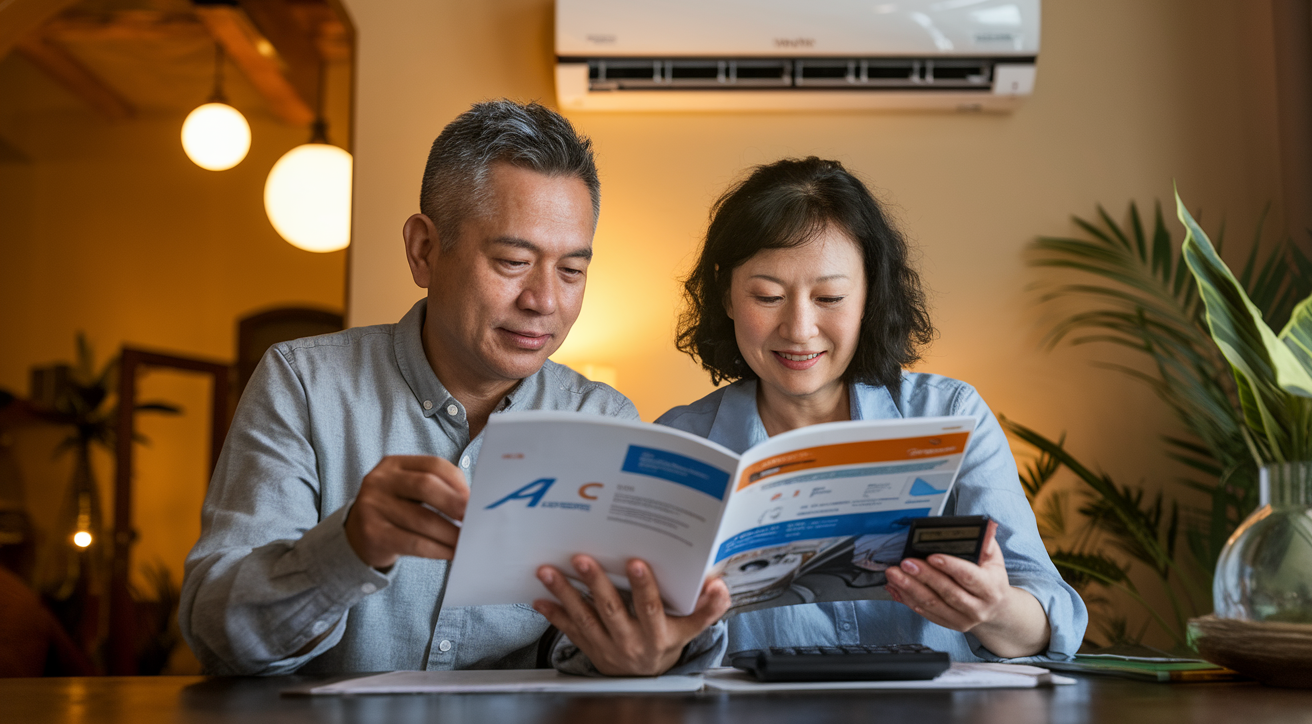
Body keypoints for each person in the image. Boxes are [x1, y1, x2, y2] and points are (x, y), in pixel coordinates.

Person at [180, 100, 728, 676]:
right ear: (423, 251)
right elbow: (216, 638)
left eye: (571, 270)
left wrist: (647, 651)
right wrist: (347, 550)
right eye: (514, 260)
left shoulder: (603, 419)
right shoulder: (304, 385)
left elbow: (601, 644)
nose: (544, 302)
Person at [656, 157, 1086, 661]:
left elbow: (1048, 622)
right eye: (767, 295)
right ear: (727, 296)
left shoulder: (950, 414)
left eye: (830, 296)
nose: (799, 328)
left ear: (869, 298)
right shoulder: (682, 447)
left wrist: (994, 609)